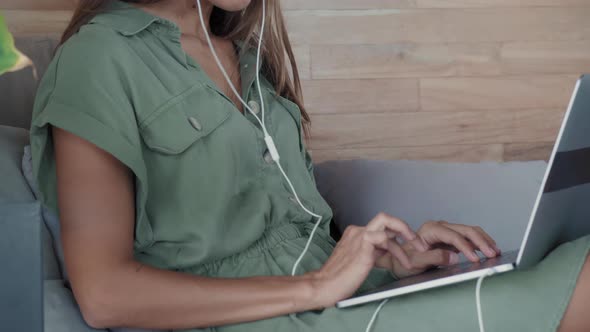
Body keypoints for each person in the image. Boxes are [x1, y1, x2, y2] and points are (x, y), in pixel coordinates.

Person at [29, 0, 590, 331]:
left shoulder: (245, 55)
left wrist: (394, 263)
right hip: (262, 322)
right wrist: (316, 288)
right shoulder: (100, 58)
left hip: (340, 300)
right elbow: (103, 294)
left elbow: (291, 226)